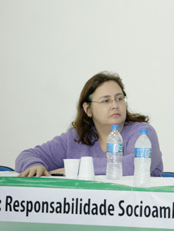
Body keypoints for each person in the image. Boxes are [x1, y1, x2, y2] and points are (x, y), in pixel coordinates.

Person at [15, 72, 163, 177]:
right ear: (88, 109)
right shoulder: (75, 138)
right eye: (106, 101)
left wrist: (77, 168)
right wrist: (34, 165)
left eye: (119, 98)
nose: (115, 105)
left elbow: (135, 165)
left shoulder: (143, 133)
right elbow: (27, 155)